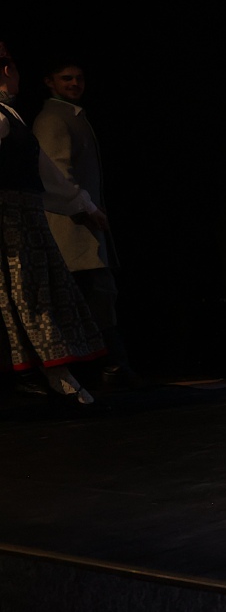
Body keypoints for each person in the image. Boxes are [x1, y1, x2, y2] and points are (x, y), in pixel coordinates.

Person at [0, 43, 106, 405]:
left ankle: (46, 375)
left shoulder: (10, 115)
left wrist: (83, 204)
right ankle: (40, 375)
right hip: (11, 226)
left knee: (32, 295)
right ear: (7, 71)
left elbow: (44, 171)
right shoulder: (2, 118)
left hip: (25, 222)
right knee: (25, 297)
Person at [32, 60, 137, 388]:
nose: (74, 83)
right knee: (95, 295)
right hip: (71, 228)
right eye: (66, 78)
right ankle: (112, 368)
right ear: (49, 81)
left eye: (78, 78)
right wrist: (87, 208)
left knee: (96, 296)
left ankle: (109, 369)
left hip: (82, 227)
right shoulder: (53, 119)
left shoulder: (72, 115)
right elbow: (57, 175)